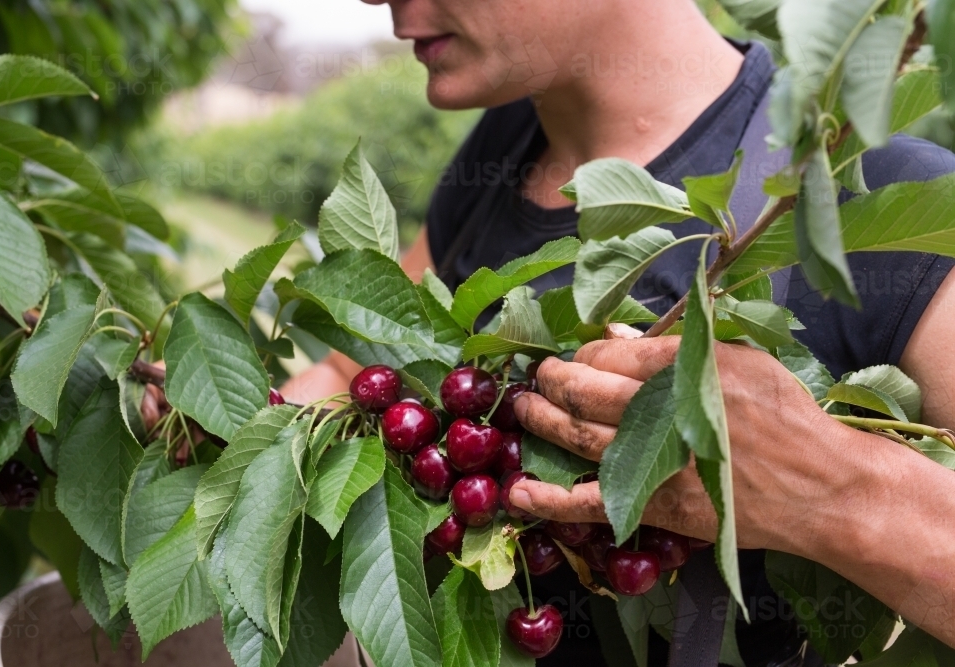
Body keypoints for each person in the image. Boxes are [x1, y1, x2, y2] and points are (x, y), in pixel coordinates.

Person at [282, 0, 955, 663]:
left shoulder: (901, 210)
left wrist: (830, 488)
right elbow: (350, 376)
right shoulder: (501, 150)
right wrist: (235, 423)